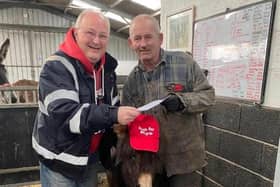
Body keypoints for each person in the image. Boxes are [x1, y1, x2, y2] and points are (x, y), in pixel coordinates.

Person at [32, 9, 140, 187]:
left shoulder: (107, 69)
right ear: (75, 33)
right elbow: (66, 114)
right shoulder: (57, 67)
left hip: (89, 158)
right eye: (90, 33)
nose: (96, 41)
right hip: (59, 161)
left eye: (103, 36)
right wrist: (114, 115)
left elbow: (112, 105)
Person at [122, 14, 215, 187]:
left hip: (185, 162)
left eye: (148, 37)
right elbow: (126, 125)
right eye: (137, 38)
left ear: (160, 38)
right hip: (149, 163)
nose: (143, 44)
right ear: (131, 43)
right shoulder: (131, 82)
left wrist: (182, 102)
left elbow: (209, 96)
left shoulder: (185, 63)